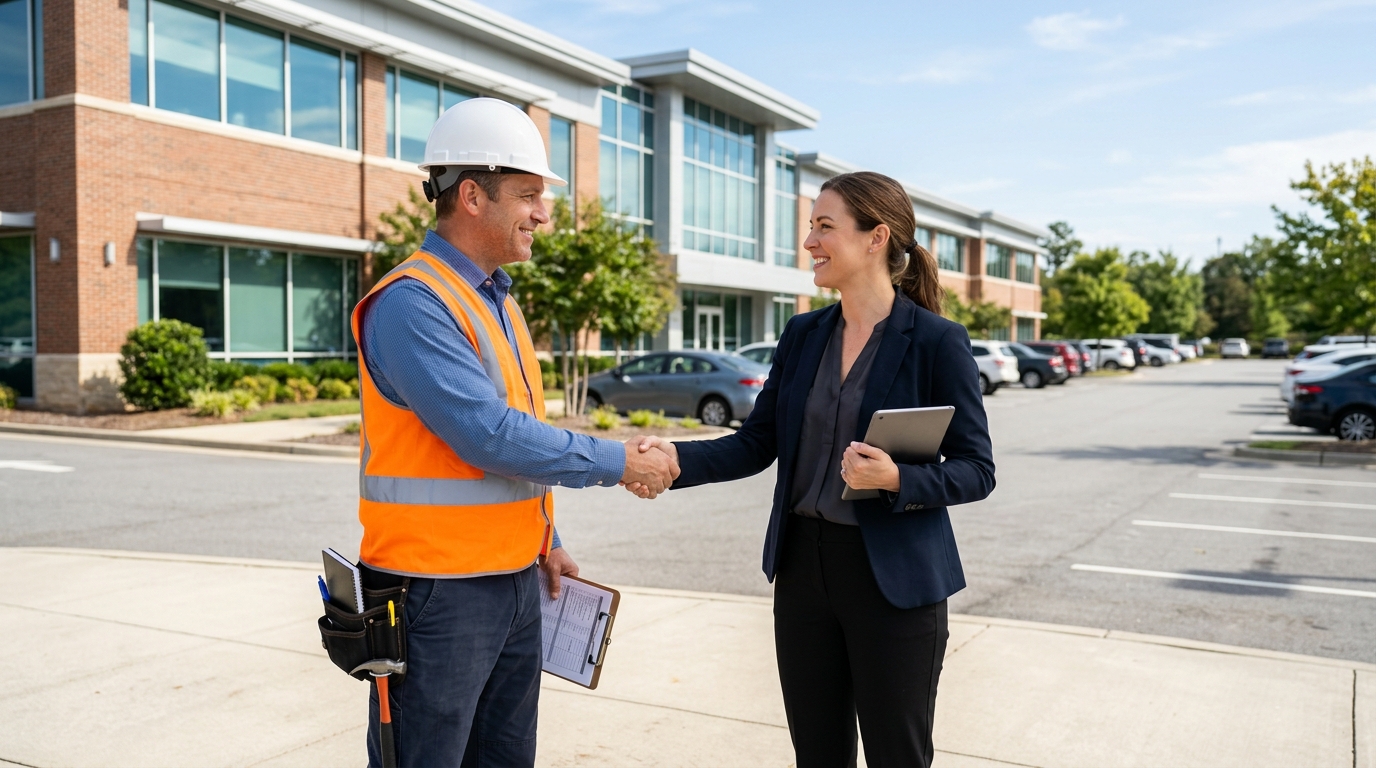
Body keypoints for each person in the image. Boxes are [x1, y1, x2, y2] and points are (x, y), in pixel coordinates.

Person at [352, 97, 678, 768]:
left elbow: (520, 433)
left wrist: (545, 539)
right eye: (529, 194)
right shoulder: (414, 302)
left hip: (513, 582)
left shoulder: (496, 300)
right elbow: (488, 436)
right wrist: (619, 461)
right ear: (472, 195)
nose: (543, 214)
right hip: (437, 597)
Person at [629, 171, 995, 767]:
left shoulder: (936, 341)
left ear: (876, 237)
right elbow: (757, 442)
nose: (810, 243)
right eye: (810, 227)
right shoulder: (802, 335)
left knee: (896, 757)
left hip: (894, 583)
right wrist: (675, 458)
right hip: (804, 572)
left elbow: (977, 469)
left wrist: (899, 480)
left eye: (825, 227)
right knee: (817, 756)